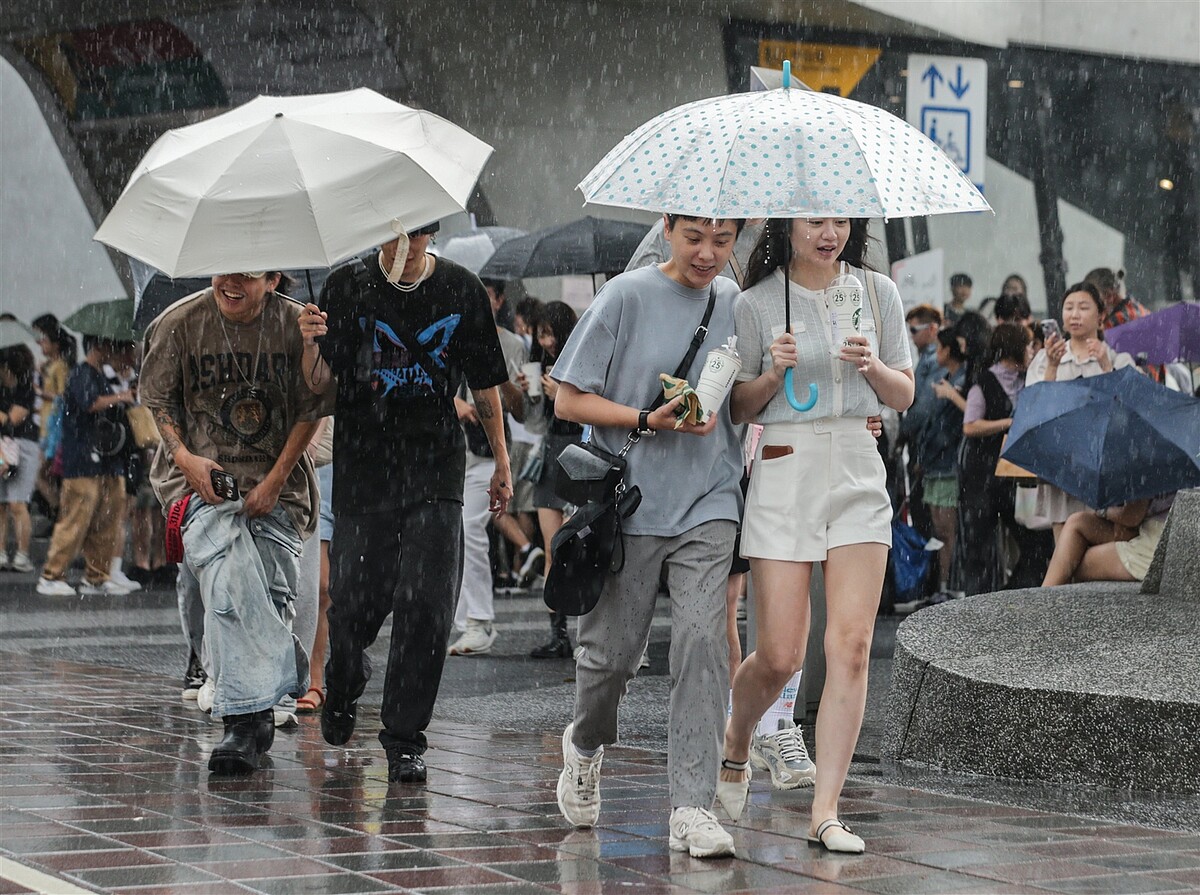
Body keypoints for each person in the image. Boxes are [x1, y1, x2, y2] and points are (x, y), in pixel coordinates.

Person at [550, 212, 745, 859]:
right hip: (630, 507)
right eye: (695, 238)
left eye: (722, 240)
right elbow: (567, 400)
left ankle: (692, 805)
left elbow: (745, 400)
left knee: (702, 641)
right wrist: (643, 416)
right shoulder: (625, 295)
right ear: (667, 228)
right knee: (609, 659)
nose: (707, 253)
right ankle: (584, 743)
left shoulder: (735, 303)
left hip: (710, 500)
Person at [723, 217, 914, 855]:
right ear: (789, 225)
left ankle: (826, 810)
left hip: (858, 462)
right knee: (782, 654)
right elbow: (738, 407)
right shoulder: (755, 302)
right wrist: (772, 374)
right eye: (815, 220)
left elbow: (904, 394)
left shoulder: (877, 291)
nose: (830, 232)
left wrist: (875, 367)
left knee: (852, 645)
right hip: (783, 465)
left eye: (840, 220)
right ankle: (737, 737)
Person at [299, 219, 512, 785]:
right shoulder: (346, 286)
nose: (401, 250)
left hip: (435, 466)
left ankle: (405, 738)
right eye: (391, 237)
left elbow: (484, 383)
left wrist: (501, 462)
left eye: (413, 238)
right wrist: (310, 344)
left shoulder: (462, 290)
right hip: (365, 466)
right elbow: (321, 385)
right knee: (351, 605)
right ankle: (343, 680)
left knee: (427, 606)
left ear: (428, 235)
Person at [140, 270, 329, 773]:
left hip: (280, 487)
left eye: (248, 273)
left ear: (272, 278)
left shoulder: (298, 324)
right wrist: (185, 459)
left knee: (271, 594)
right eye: (225, 268)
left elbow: (313, 408)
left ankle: (260, 694)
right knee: (225, 588)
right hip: (200, 484)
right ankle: (245, 724)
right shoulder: (178, 323)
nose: (233, 282)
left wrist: (273, 481)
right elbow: (158, 403)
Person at [448, 277, 532, 656]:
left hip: (488, 451)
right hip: (452, 450)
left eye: (486, 297)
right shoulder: (451, 332)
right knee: (456, 533)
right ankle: (463, 618)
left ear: (498, 301)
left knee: (471, 530)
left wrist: (504, 385)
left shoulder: (512, 343)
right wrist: (456, 402)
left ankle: (479, 620)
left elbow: (521, 408)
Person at [1026, 283, 1136, 539]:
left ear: (1100, 317)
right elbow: (1034, 410)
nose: (1074, 314)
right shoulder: (1046, 358)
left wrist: (1106, 366)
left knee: (1103, 542)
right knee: (1063, 541)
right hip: (1063, 464)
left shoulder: (1118, 358)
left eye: (1083, 308)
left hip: (1104, 466)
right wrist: (1052, 367)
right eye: (1069, 308)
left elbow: (1129, 411)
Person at [35, 335, 136, 597]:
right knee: (75, 518)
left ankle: (97, 577)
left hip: (107, 459)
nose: (120, 353)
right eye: (116, 346)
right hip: (81, 459)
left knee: (108, 520)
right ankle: (51, 575)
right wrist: (121, 396)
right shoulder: (81, 373)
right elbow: (89, 403)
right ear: (100, 346)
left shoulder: (103, 375)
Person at [957, 323, 1051, 595]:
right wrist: (1007, 423)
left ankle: (1015, 592)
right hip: (981, 474)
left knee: (1035, 540)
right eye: (1028, 345)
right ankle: (980, 601)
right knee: (979, 543)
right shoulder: (985, 381)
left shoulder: (1029, 379)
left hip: (1013, 476)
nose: (1032, 351)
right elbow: (970, 425)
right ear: (1014, 349)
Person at [519, 301, 585, 659]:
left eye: (548, 333)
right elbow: (533, 418)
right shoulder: (542, 364)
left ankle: (590, 631)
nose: (544, 341)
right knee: (553, 546)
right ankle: (557, 632)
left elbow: (589, 407)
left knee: (580, 545)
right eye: (539, 334)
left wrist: (561, 395)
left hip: (578, 450)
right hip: (552, 451)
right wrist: (528, 391)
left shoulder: (582, 356)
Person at [911, 330, 969, 605]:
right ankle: (943, 584)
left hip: (947, 465)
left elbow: (961, 421)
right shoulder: (948, 378)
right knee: (939, 528)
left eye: (940, 348)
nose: (936, 354)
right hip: (936, 463)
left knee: (947, 530)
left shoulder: (962, 380)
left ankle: (949, 585)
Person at [1042, 495, 1174, 586]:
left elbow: (1132, 516)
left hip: (1156, 545)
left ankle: (1041, 609)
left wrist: (1102, 512)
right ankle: (1043, 600)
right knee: (1077, 522)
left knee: (1073, 565)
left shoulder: (1145, 461)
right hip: (1149, 529)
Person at [899, 305, 944, 539]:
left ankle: (930, 573)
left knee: (929, 521)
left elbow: (924, 408)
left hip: (929, 445)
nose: (912, 336)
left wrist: (903, 431)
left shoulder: (936, 359)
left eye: (915, 330)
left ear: (932, 329)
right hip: (925, 444)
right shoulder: (926, 358)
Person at [0, 345, 41, 572]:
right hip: (0, 449)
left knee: (17, 503)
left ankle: (22, 554)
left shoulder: (25, 389)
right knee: (1, 504)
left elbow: (12, 420)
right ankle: (1, 553)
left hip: (23, 447)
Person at [1085, 267, 1164, 384]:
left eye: (1092, 299)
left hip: (1135, 386)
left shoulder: (1115, 323)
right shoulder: (1141, 310)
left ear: (1109, 295)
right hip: (1155, 386)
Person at [32, 314, 75, 521]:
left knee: (41, 474)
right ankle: (58, 512)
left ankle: (59, 510)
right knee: (44, 474)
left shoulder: (61, 366)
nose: (40, 344)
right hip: (47, 426)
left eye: (43, 339)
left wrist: (40, 392)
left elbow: (63, 396)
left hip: (53, 430)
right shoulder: (52, 365)